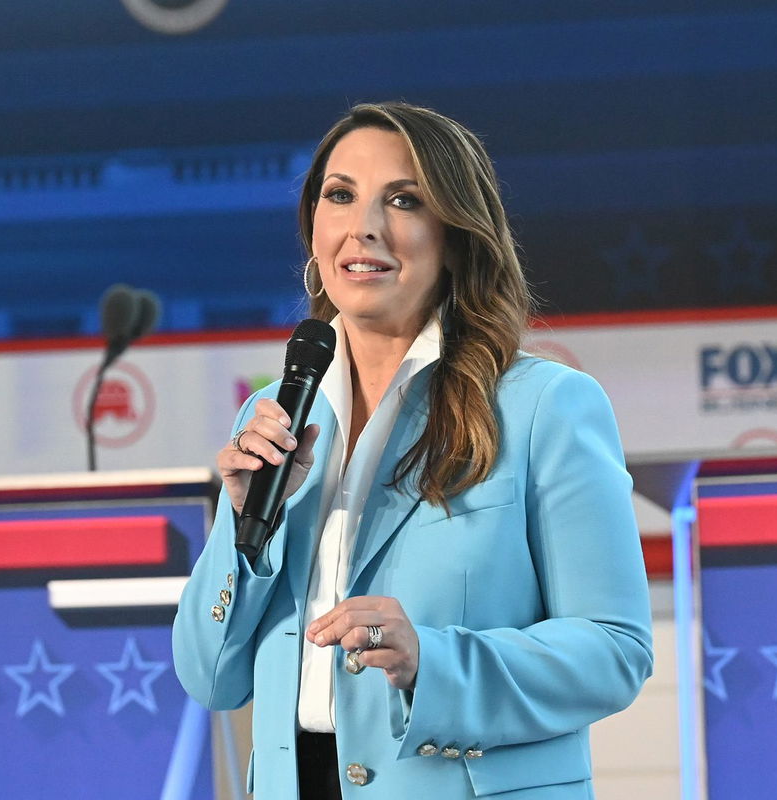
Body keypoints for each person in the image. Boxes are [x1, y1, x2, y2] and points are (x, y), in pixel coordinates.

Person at [173, 101, 652, 799]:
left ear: (455, 236)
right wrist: (246, 539)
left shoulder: (546, 406)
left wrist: (436, 660)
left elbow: (616, 652)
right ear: (314, 228)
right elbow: (209, 677)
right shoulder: (274, 413)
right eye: (340, 196)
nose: (363, 225)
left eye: (403, 200)